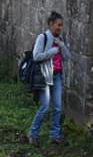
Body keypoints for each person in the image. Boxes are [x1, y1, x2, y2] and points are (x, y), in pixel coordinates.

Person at [27, 11, 71, 147]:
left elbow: (67, 57)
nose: (60, 28)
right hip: (45, 76)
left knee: (57, 107)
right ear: (51, 24)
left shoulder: (60, 39)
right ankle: (32, 134)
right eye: (58, 25)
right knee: (45, 107)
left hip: (57, 76)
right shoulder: (43, 38)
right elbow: (36, 56)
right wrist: (53, 51)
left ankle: (55, 135)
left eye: (61, 25)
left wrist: (61, 45)